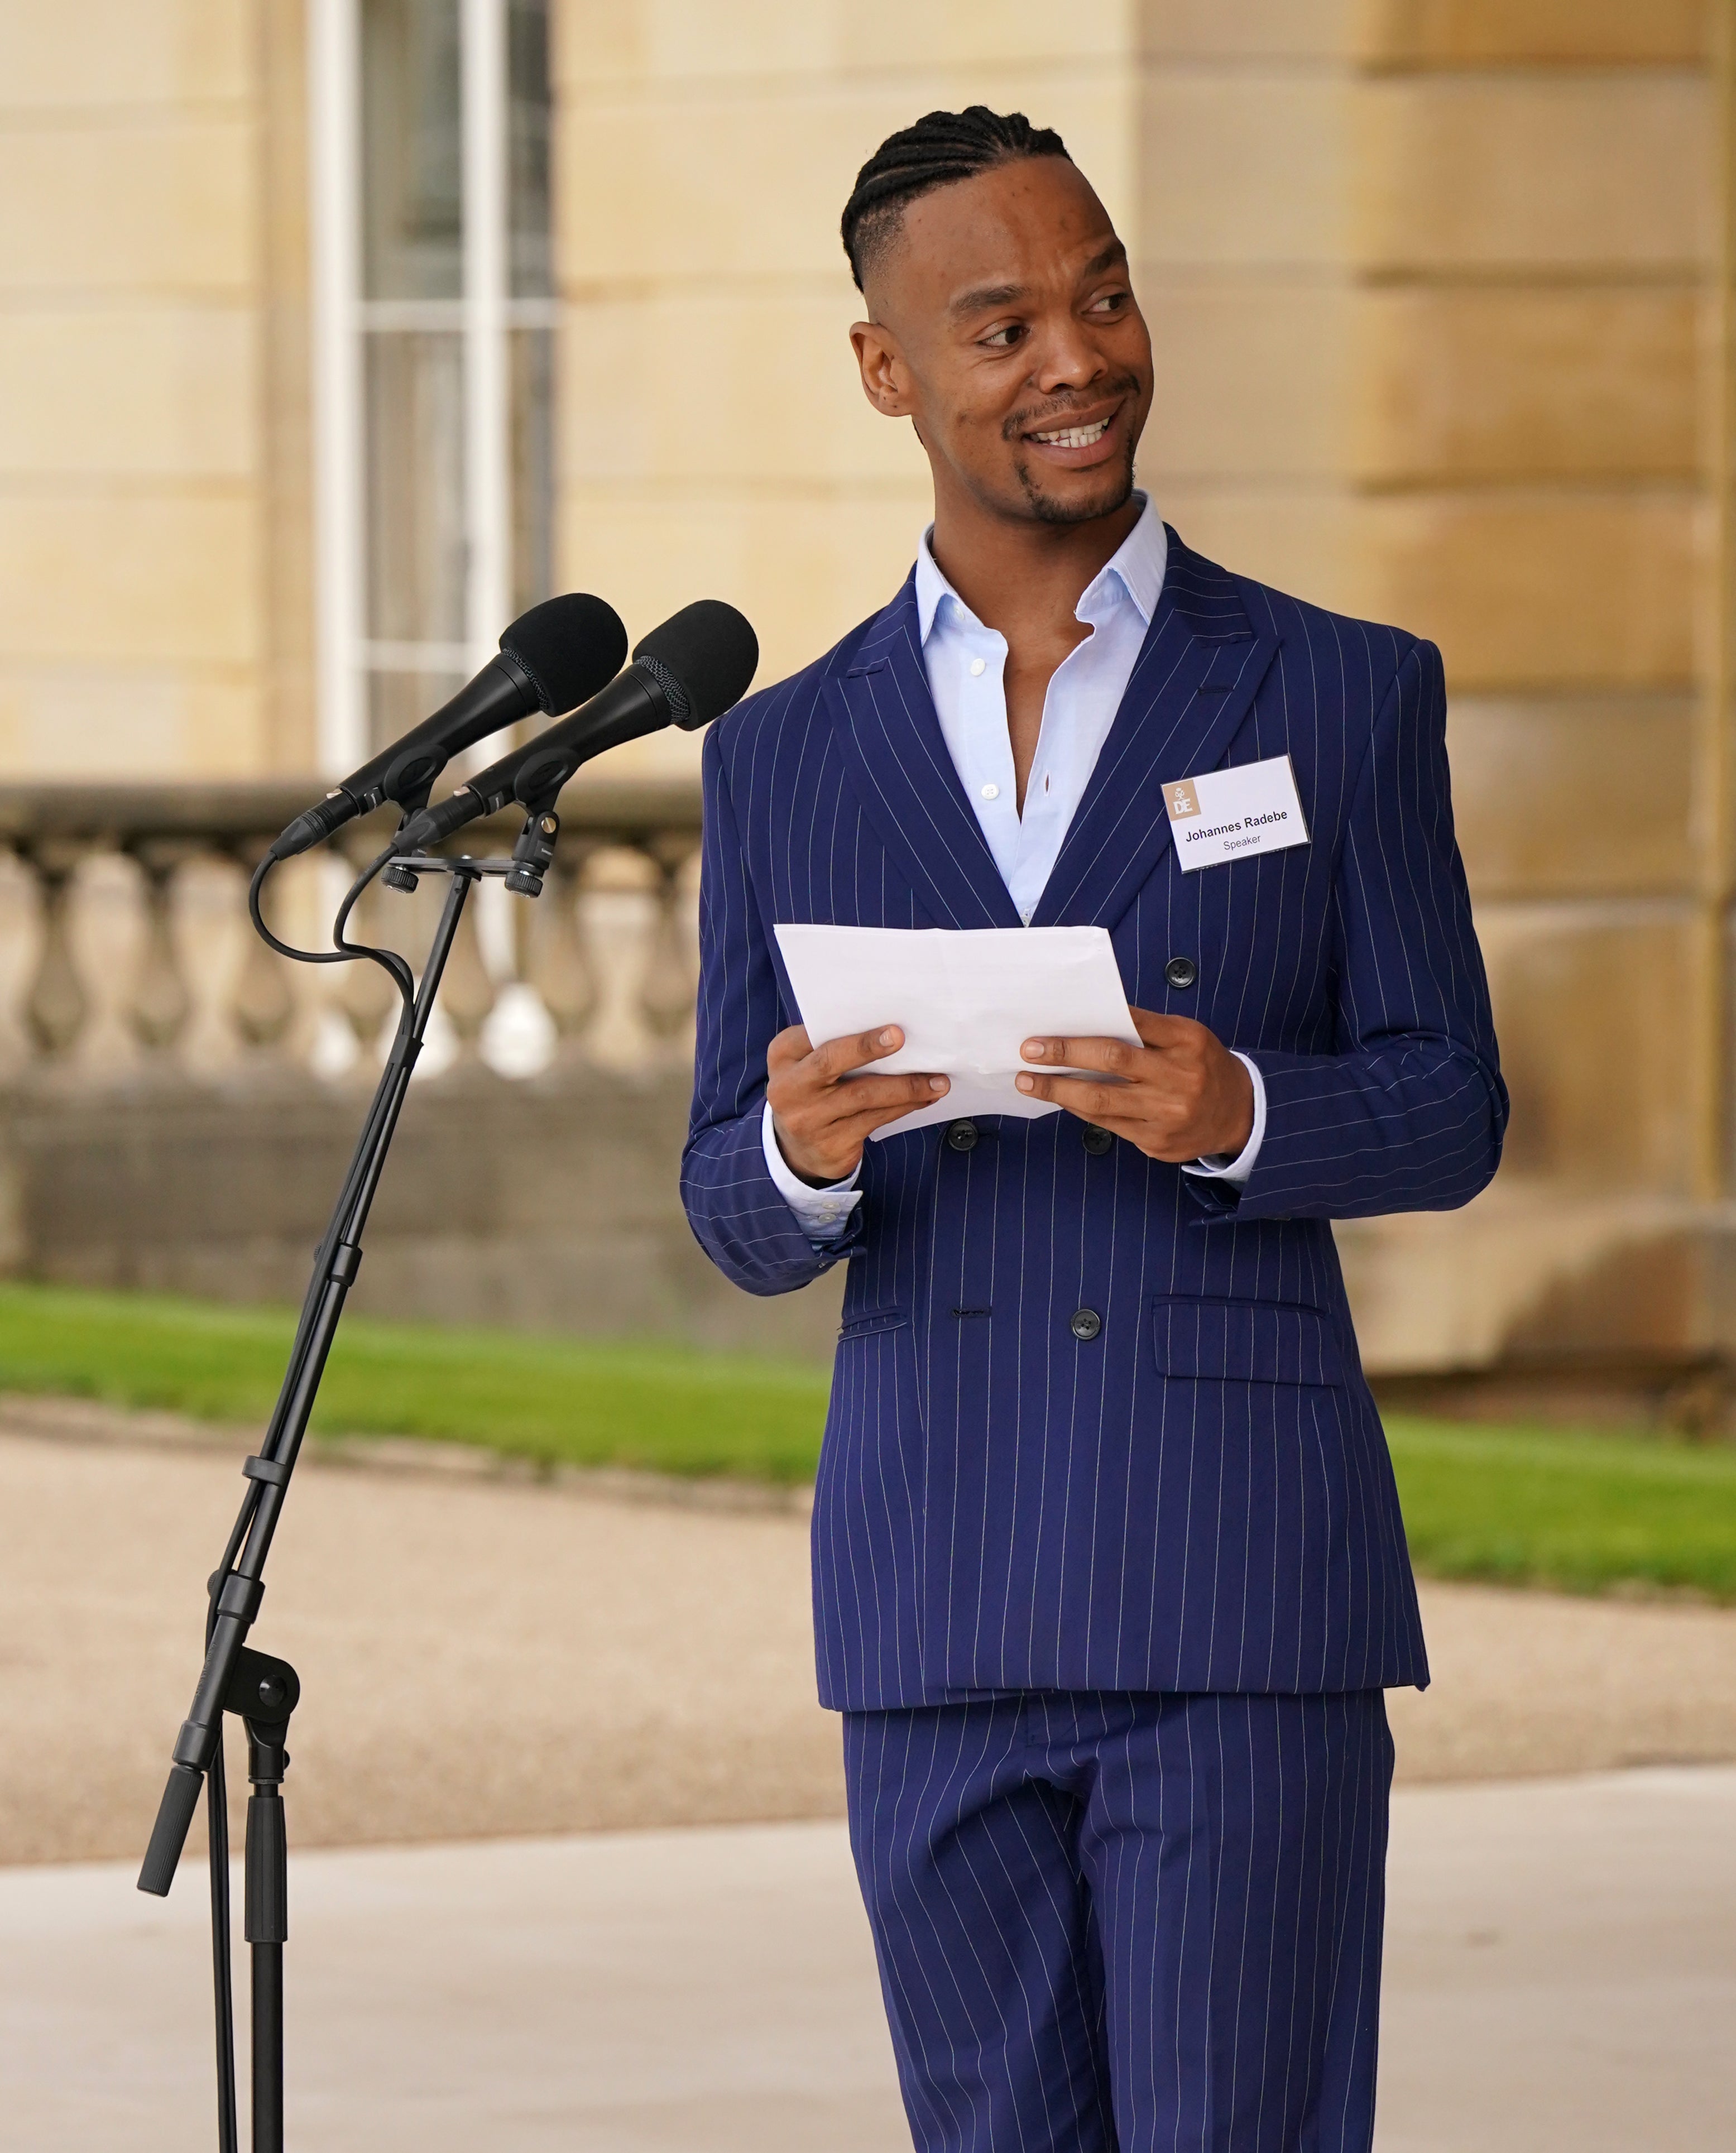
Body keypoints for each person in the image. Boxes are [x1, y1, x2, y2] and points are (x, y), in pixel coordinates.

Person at [681, 106, 1504, 2153]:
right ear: (886, 369)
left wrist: (1241, 1106)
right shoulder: (782, 753)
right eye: (1004, 322)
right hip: (932, 1599)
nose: (1081, 356)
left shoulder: (1339, 692)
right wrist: (801, 1153)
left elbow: (1452, 1099)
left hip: (1238, 1584)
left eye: (1107, 290)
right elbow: (727, 1187)